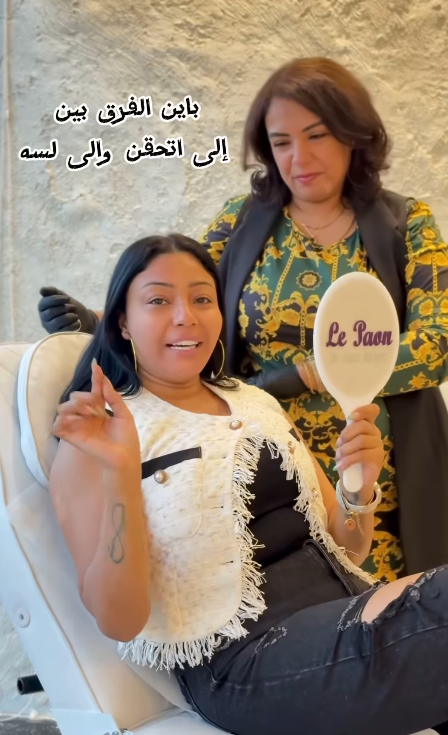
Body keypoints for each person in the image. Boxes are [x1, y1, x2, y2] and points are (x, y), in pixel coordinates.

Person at [37, 57, 448, 584]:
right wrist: (100, 318)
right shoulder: (242, 221)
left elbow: (435, 344)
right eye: (281, 142)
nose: (299, 157)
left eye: (317, 135)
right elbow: (182, 293)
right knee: (282, 595)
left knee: (392, 609)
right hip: (265, 462)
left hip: (374, 457)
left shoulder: (405, 224)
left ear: (353, 135)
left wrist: (306, 375)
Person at [49, 234, 448, 735]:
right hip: (243, 665)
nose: (185, 317)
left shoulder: (255, 403)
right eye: (158, 301)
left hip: (345, 611)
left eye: (202, 298)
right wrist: (121, 476)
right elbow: (119, 620)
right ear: (122, 322)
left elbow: (349, 546)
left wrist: (359, 490)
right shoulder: (96, 438)